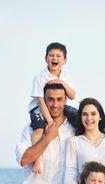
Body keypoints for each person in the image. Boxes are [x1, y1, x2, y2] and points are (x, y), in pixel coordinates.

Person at [28, 42, 77, 174]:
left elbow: (72, 95)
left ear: (64, 60)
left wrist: (62, 82)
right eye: (51, 55)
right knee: (39, 129)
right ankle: (37, 160)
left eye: (58, 56)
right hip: (39, 107)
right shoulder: (40, 77)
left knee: (78, 117)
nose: (54, 58)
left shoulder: (66, 75)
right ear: (46, 59)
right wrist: (50, 122)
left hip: (60, 105)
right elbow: (41, 101)